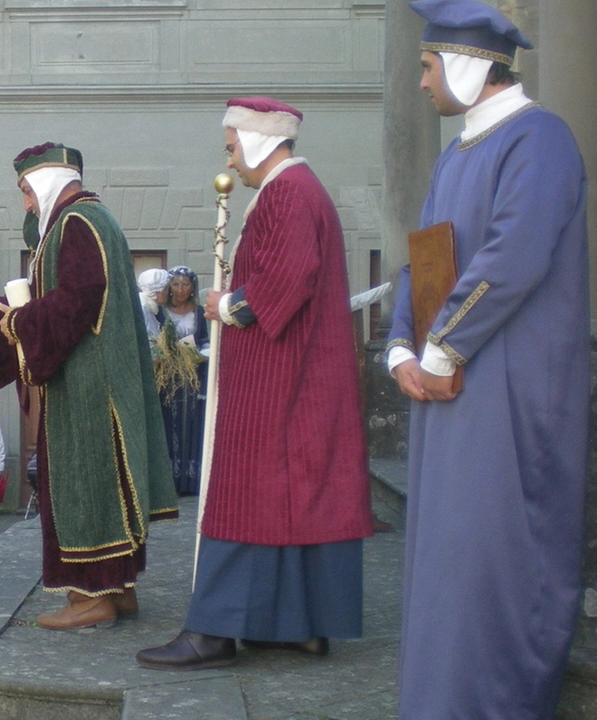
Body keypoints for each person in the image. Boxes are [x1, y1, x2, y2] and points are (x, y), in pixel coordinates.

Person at [386, 2, 589, 717]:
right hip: (451, 383)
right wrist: (402, 346)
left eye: (427, 66)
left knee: (491, 558)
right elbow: (426, 254)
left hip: (512, 393)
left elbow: (513, 257)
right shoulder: (457, 153)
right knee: (449, 566)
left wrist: (441, 346)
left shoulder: (542, 141)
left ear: (467, 65)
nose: (419, 83)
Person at [135, 98, 373, 670]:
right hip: (298, 375)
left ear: (258, 139)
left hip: (275, 378)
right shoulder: (298, 190)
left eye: (232, 144)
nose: (231, 157)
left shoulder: (288, 193)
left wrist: (224, 304)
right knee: (290, 501)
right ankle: (298, 625)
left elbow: (283, 286)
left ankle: (212, 632)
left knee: (242, 495)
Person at [0, 143, 177, 630]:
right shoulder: (88, 220)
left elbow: (73, 304)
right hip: (96, 379)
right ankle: (119, 587)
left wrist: (16, 321)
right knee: (102, 486)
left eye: (27, 191)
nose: (26, 203)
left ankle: (92, 596)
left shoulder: (77, 223)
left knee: (82, 486)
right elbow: (48, 302)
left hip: (89, 388)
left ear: (46, 181)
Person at [155, 266, 209, 496]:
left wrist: (199, 351)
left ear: (192, 288)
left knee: (193, 422)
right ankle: (172, 479)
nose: (180, 289)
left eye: (185, 284)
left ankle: (192, 478)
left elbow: (204, 339)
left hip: (193, 374)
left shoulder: (198, 312)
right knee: (171, 422)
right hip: (168, 376)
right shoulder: (161, 312)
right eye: (176, 284)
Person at [136, 268, 171, 350]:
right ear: (160, 291)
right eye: (167, 289)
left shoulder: (154, 307)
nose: (168, 293)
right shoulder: (143, 308)